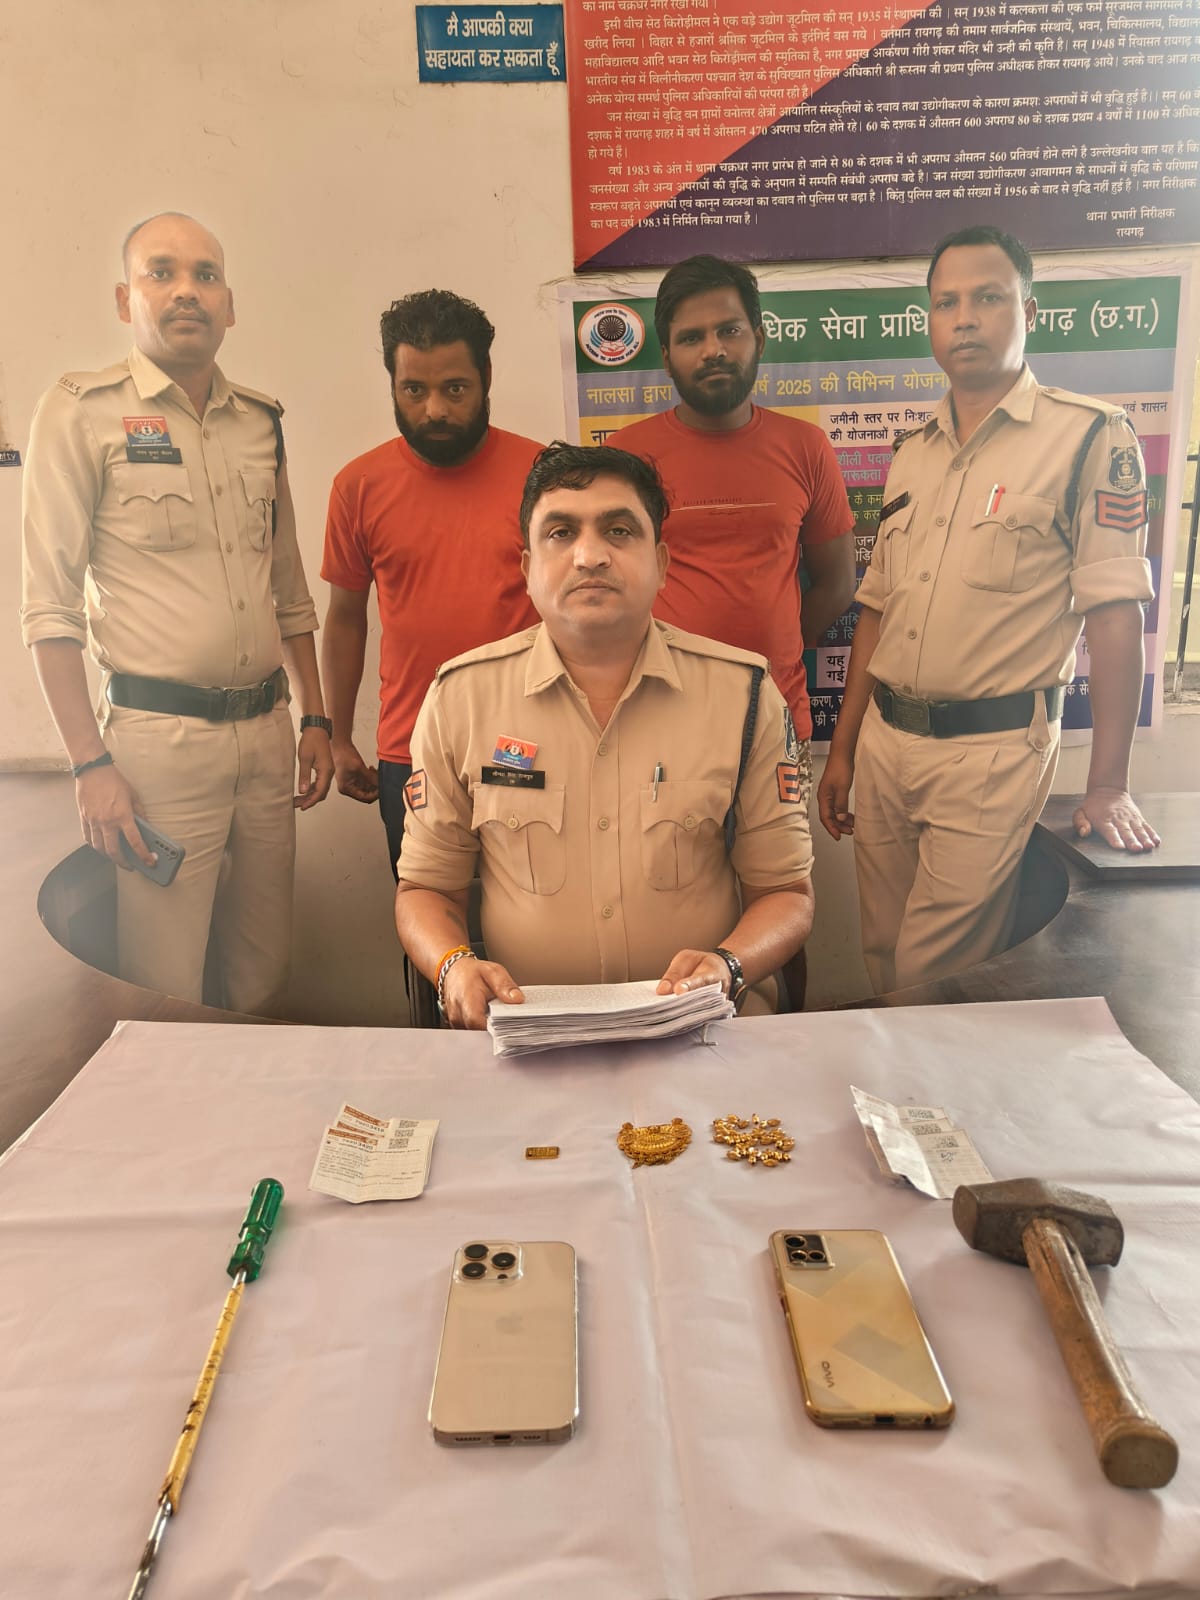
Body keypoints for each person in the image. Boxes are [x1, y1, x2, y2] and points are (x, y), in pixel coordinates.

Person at [816, 225, 1160, 996]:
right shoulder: (912, 452)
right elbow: (877, 611)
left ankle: (927, 1077)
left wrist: (1108, 782)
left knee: (937, 977)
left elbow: (1114, 617)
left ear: (1029, 312)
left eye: (987, 298)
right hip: (886, 746)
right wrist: (844, 750)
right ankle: (898, 1080)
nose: (964, 318)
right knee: (883, 955)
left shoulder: (1089, 437)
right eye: (946, 303)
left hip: (992, 752)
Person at [21, 212, 332, 1013]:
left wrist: (315, 718)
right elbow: (49, 610)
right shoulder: (80, 412)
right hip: (157, 751)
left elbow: (289, 588)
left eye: (206, 275)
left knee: (266, 971)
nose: (186, 290)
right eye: (161, 272)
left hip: (267, 738)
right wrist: (89, 765)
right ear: (125, 299)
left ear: (231, 305)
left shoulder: (260, 422)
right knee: (165, 981)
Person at [394, 442, 815, 1030]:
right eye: (561, 533)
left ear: (661, 562)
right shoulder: (460, 699)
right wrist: (452, 966)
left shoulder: (743, 695)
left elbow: (786, 892)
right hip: (528, 1034)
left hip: (704, 1028)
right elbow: (425, 889)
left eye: (619, 531)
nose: (590, 556)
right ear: (527, 568)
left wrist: (729, 965)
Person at [320, 289, 540, 877]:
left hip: (528, 742)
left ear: (486, 376)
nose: (435, 410)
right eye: (414, 390)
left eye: (455, 389)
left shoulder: (545, 476)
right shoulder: (358, 486)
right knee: (428, 917)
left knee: (538, 918)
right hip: (412, 750)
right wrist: (339, 737)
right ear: (392, 384)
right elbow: (345, 618)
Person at [610, 253, 856, 757]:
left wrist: (780, 646)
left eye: (729, 331)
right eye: (691, 338)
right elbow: (608, 586)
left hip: (776, 717)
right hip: (659, 720)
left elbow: (837, 582)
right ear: (666, 357)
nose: (713, 351)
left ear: (758, 339)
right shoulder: (626, 456)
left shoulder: (805, 447)